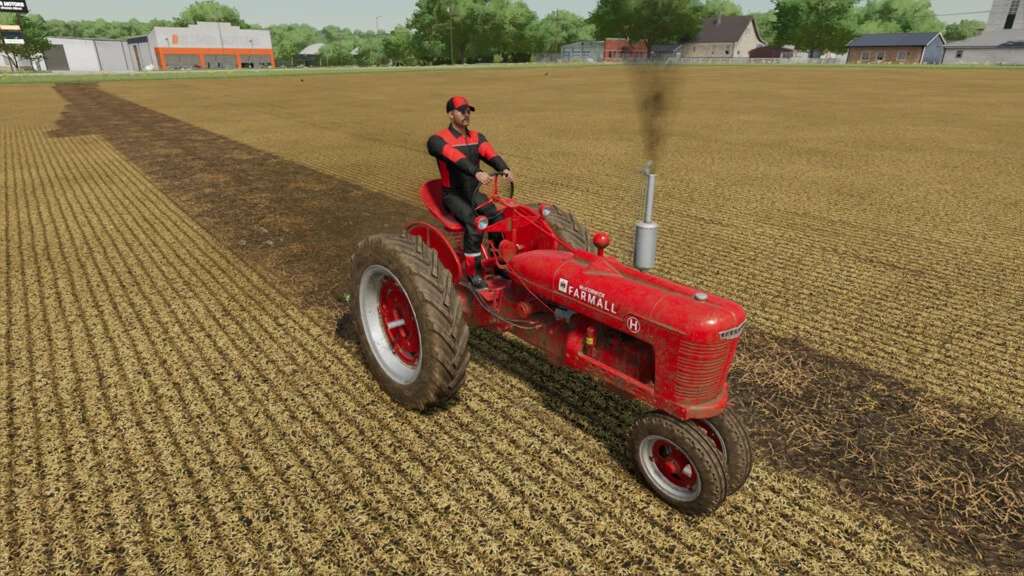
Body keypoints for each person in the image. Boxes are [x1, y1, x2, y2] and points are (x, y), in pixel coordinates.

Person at [427, 96, 513, 289]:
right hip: (453, 195)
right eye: (462, 111)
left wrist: (504, 168)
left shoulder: (476, 137)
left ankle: (499, 263)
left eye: (468, 111)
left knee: (497, 218)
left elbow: (490, 153)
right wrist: (476, 172)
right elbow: (455, 157)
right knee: (475, 224)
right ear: (451, 114)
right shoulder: (437, 140)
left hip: (473, 193)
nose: (466, 115)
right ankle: (473, 272)